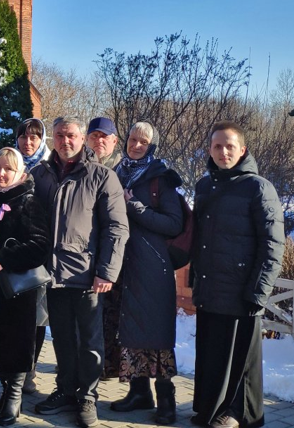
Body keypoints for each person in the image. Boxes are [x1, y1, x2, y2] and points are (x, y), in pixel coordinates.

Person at [31, 116, 128, 428]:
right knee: (61, 337)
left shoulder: (100, 176)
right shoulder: (41, 174)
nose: (65, 141)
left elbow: (116, 228)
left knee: (89, 340)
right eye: (59, 135)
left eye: (71, 135)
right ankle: (65, 390)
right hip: (53, 274)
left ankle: (87, 396)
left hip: (87, 275)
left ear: (82, 138)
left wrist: (106, 271)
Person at [191, 121, 284, 428]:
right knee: (213, 353)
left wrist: (259, 292)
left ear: (242, 150)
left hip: (241, 291)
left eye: (230, 146)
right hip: (210, 287)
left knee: (240, 359)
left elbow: (273, 246)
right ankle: (210, 408)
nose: (223, 152)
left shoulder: (258, 188)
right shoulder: (206, 186)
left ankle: (237, 413)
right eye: (217, 146)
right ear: (210, 150)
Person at [0, 147, 51, 426]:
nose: (1, 173)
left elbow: (41, 246)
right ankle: (5, 394)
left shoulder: (28, 201)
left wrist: (6, 257)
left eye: (8, 169)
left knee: (15, 344)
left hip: (18, 289)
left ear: (20, 173)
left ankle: (14, 399)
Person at [108, 122, 185, 425]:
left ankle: (166, 399)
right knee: (130, 332)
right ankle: (140, 393)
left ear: (151, 146)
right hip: (125, 265)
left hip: (153, 267)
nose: (136, 145)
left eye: (143, 141)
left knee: (158, 335)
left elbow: (173, 224)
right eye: (132, 139)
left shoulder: (160, 178)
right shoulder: (118, 172)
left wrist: (135, 206)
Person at [13, 117, 51, 393]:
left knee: (37, 316)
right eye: (24, 137)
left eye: (34, 137)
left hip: (40, 251)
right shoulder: (11, 164)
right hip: (13, 250)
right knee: (15, 314)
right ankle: (12, 368)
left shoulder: (48, 169)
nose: (28, 142)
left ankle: (30, 371)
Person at [84, 116, 123, 381]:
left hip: (114, 257)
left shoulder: (122, 169)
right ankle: (83, 369)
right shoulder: (78, 166)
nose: (99, 140)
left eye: (104, 136)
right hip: (82, 257)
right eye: (94, 135)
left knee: (110, 317)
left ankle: (106, 369)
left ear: (114, 141)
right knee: (86, 320)